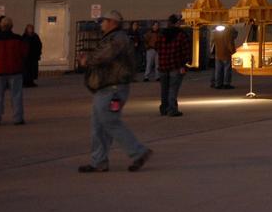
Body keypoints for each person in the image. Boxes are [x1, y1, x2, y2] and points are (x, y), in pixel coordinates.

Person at [79, 10, 151, 172]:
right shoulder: (113, 38)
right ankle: (99, 161)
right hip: (105, 88)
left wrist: (87, 60)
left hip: (113, 89)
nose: (101, 24)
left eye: (104, 21)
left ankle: (138, 152)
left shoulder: (118, 39)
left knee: (110, 122)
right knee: (98, 126)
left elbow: (105, 56)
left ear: (113, 22)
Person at [0, 16, 27, 125]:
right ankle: (18, 118)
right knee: (16, 95)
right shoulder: (18, 39)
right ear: (11, 26)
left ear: (0, 26)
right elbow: (24, 53)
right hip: (15, 70)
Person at [157, 14, 190, 117]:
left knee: (164, 89)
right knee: (173, 89)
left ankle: (164, 108)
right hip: (176, 65)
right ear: (177, 23)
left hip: (163, 66)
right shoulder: (181, 35)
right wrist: (184, 65)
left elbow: (157, 47)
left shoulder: (162, 34)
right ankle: (172, 109)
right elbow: (185, 51)